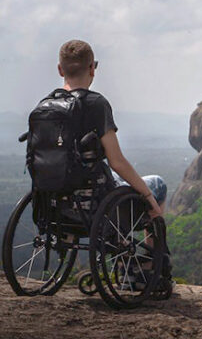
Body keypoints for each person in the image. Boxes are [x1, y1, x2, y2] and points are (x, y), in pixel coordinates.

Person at [56, 39, 164, 219]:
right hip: (93, 201)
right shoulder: (95, 104)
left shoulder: (47, 106)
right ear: (92, 69)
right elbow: (117, 161)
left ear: (60, 69)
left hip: (56, 199)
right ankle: (152, 246)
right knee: (158, 185)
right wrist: (147, 196)